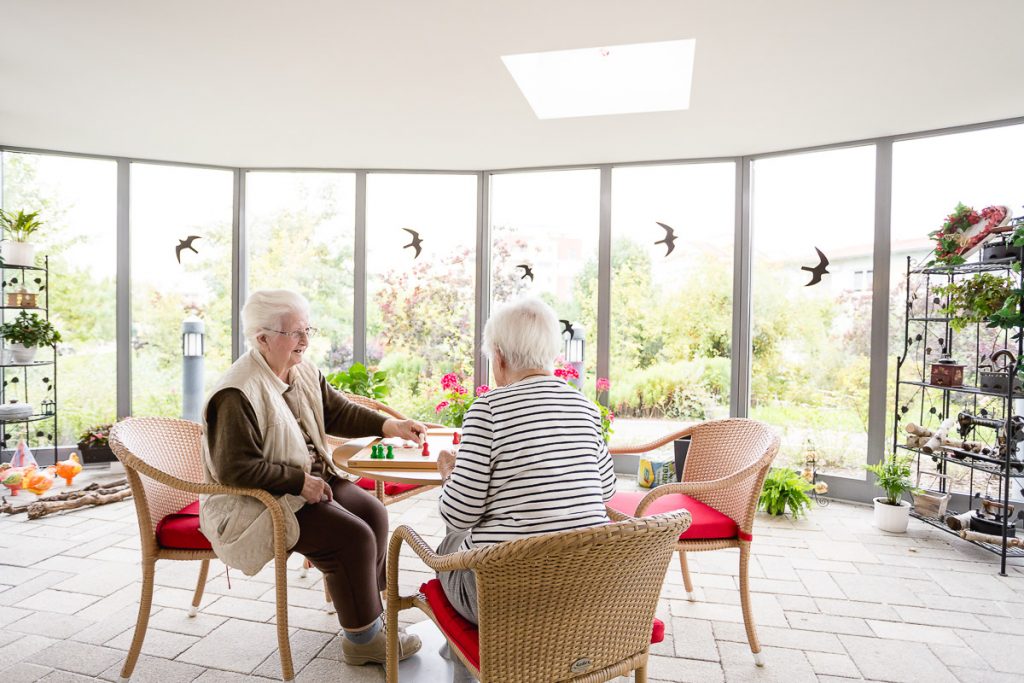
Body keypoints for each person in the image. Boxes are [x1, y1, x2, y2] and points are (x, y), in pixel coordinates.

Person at [199, 289, 424, 666]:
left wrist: (391, 426)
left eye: (307, 329)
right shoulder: (235, 393)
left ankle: (370, 616)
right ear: (262, 339)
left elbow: (336, 412)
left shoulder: (301, 369)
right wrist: (299, 482)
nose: (305, 340)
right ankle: (363, 640)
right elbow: (234, 470)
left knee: (373, 513)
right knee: (350, 537)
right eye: (295, 333)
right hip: (261, 501)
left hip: (310, 482)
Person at [435, 296, 617, 624]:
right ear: (552, 353)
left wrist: (452, 474)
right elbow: (606, 490)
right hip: (584, 590)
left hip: (503, 599)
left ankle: (464, 651)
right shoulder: (587, 408)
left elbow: (459, 515)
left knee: (449, 542)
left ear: (499, 357)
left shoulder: (488, 410)